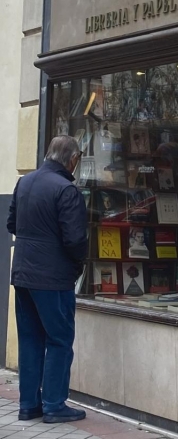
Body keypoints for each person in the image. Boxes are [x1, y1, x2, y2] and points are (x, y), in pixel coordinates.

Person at [7, 136, 88, 423]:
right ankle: (54, 404)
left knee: (30, 339)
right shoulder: (66, 190)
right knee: (59, 339)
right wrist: (78, 265)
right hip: (53, 278)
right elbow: (76, 240)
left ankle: (29, 404)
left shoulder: (24, 182)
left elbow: (11, 224)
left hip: (23, 274)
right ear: (72, 158)